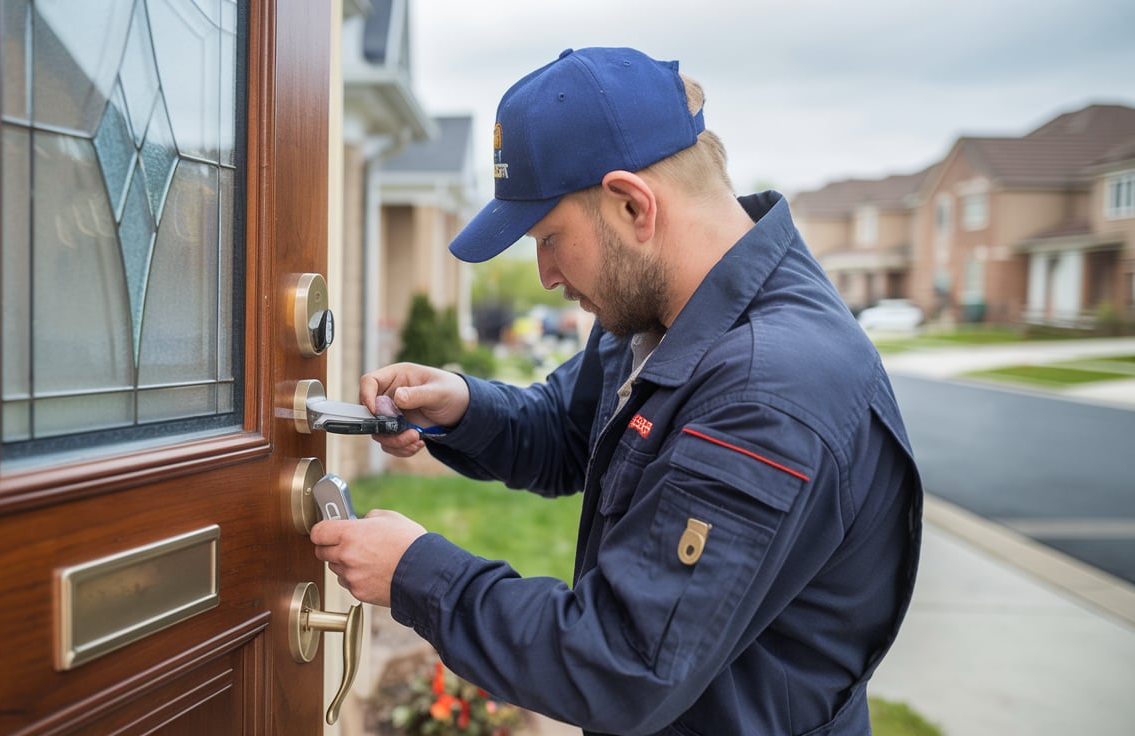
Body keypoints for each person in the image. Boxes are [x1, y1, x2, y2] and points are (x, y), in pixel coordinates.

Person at [311, 47, 922, 736]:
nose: (543, 273)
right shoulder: (659, 317)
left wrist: (416, 573)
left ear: (633, 204)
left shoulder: (769, 392)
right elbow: (572, 433)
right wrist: (464, 404)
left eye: (549, 238)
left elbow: (624, 660)